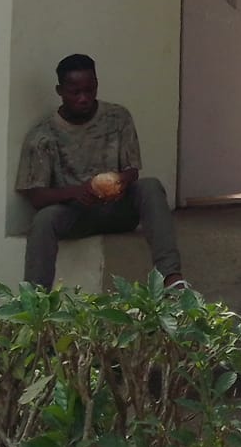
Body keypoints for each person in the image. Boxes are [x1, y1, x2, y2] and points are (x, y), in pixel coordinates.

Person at [17, 53, 184, 289]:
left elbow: (132, 170)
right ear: (60, 91)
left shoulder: (118, 118)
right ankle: (35, 300)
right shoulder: (43, 137)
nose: (84, 98)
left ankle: (172, 277)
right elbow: (36, 196)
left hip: (117, 210)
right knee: (44, 220)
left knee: (151, 186)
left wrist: (119, 181)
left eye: (90, 89)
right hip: (76, 215)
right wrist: (76, 192)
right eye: (75, 92)